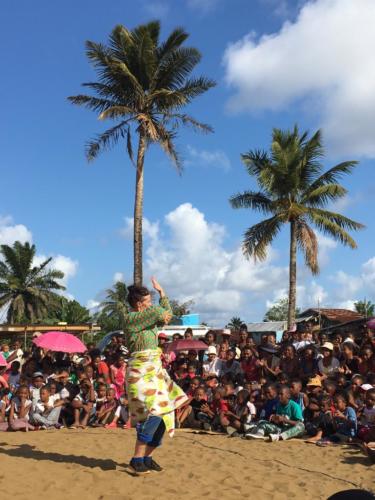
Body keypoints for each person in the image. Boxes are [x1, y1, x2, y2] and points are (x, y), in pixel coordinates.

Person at [124, 278, 188, 475]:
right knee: (154, 413)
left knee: (165, 412)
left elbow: (165, 315)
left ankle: (146, 457)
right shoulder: (132, 318)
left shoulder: (148, 316)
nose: (151, 303)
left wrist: (162, 293)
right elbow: (165, 314)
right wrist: (162, 298)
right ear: (139, 304)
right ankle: (136, 458)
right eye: (148, 300)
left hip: (153, 371)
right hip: (140, 373)